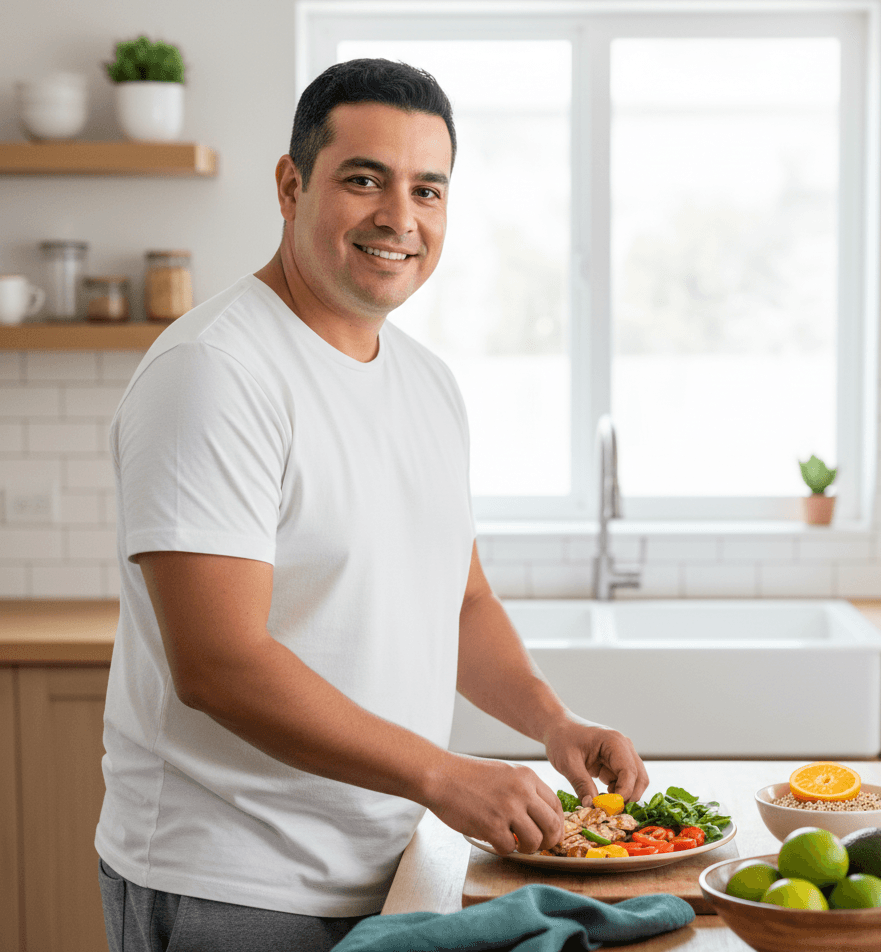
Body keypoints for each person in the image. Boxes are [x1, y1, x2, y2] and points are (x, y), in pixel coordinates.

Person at [95, 58, 649, 952]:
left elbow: (459, 602)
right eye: (365, 180)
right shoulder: (216, 373)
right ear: (290, 184)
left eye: (428, 189)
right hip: (232, 887)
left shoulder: (428, 386)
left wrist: (554, 723)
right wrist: (441, 775)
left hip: (388, 872)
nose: (400, 217)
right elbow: (217, 662)